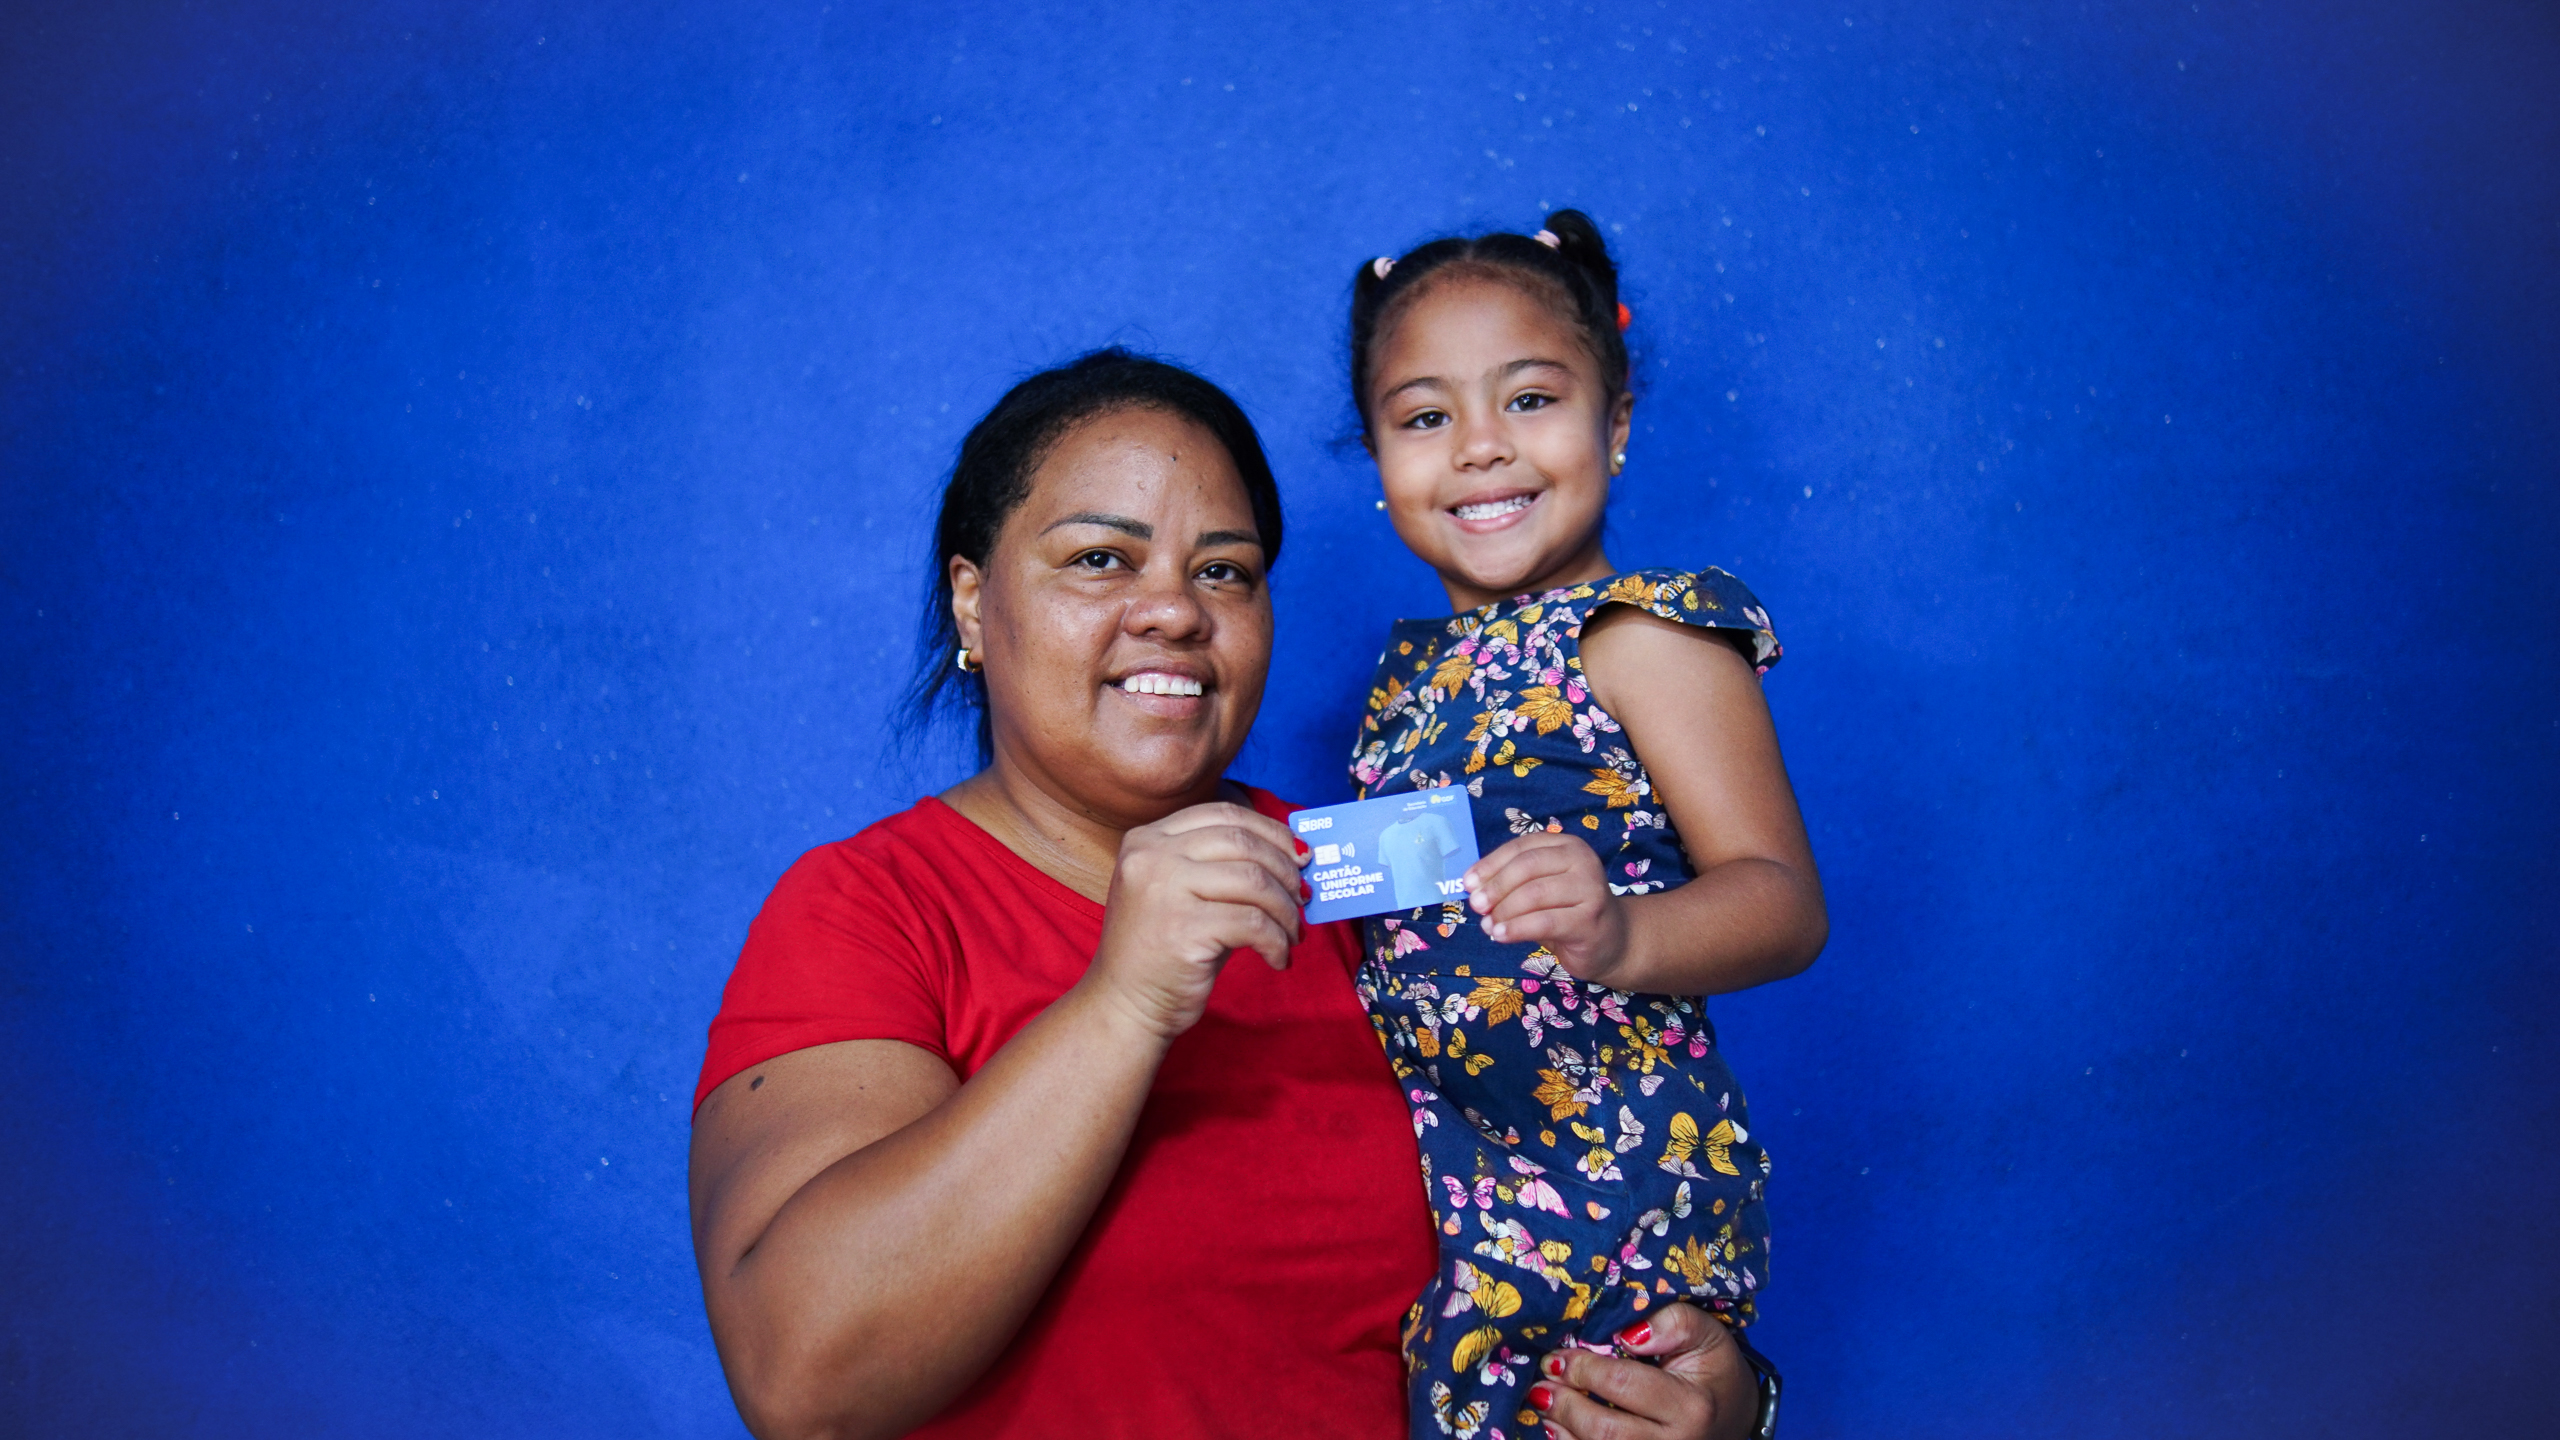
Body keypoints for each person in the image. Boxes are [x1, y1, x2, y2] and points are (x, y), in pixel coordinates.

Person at [687, 347, 1770, 1440]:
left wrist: (1711, 1398)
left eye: (1224, 572)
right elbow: (806, 1383)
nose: (1173, 611)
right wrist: (1123, 1003)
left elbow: (1586, 1174)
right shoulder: (872, 908)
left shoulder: (1375, 880)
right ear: (973, 603)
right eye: (1100, 559)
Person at [1342, 213, 1828, 1438]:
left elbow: (1781, 898)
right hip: (1466, 1196)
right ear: (1376, 459)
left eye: (1529, 399)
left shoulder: (1639, 634)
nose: (1480, 447)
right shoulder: (1408, 688)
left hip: (1610, 1184)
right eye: (1425, 417)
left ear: (1613, 424)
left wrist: (1621, 936)